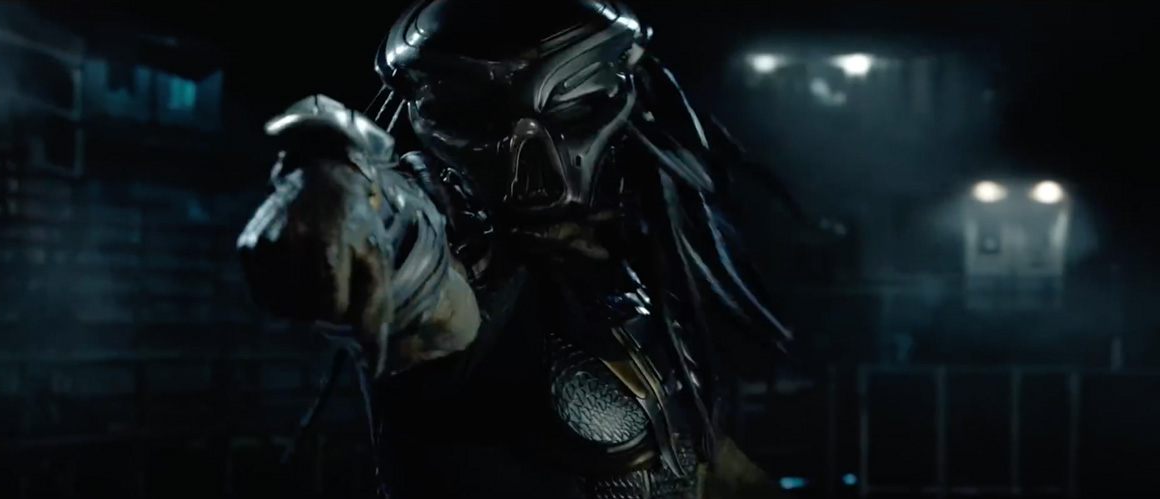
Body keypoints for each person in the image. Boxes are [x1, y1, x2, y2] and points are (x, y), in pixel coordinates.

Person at [237, 1, 792, 497]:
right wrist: (339, 190)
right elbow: (418, 284)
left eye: (571, 112)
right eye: (479, 120)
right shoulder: (465, 271)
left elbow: (699, 465)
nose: (537, 183)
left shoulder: (631, 272)